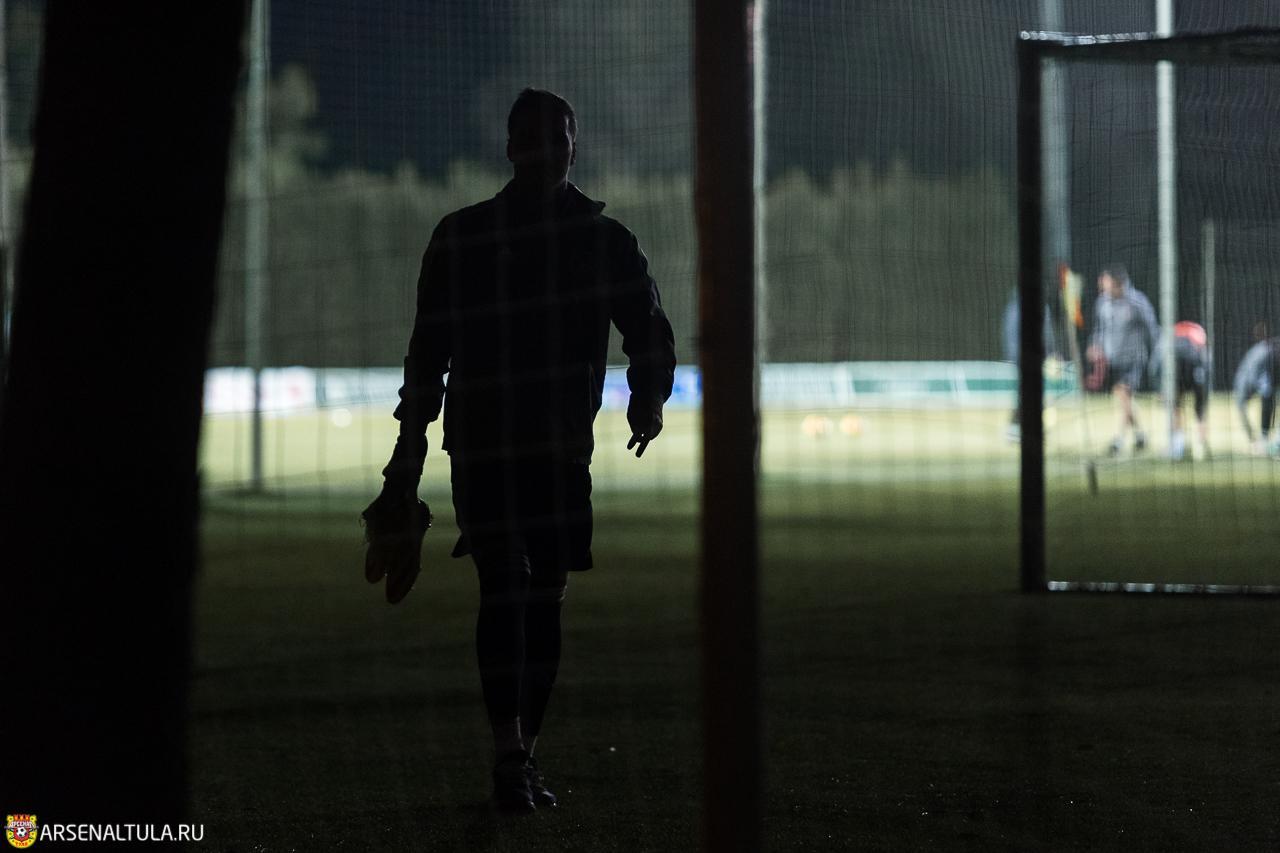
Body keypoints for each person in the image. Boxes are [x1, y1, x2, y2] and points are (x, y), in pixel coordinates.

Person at [364, 88, 676, 814]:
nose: (544, 148)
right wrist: (406, 454)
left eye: (555, 136)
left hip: (561, 451)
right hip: (485, 446)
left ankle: (521, 754)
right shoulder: (467, 237)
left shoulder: (596, 240)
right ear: (510, 147)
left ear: (573, 146)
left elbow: (647, 328)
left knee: (542, 601)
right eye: (531, 135)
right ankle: (511, 753)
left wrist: (649, 394)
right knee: (508, 584)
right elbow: (427, 355)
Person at [1085, 264, 1159, 456]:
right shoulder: (1102, 303)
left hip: (1134, 359)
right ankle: (1140, 436)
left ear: (1117, 282)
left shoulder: (1137, 301)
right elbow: (1099, 330)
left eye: (1106, 280)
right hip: (1113, 360)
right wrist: (1094, 345)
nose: (1102, 283)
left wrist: (1156, 354)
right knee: (1125, 398)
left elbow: (1152, 328)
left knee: (1124, 394)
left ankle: (1118, 441)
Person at [1001, 289, 1057, 443]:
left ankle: (1022, 429)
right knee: (1027, 394)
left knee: (1028, 394)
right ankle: (1020, 429)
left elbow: (1046, 332)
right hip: (1027, 359)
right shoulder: (1019, 308)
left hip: (1031, 358)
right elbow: (1045, 333)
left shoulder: (1016, 307)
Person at [1149, 321, 1211, 461]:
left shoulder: (1168, 339)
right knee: (1200, 410)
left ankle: (1178, 447)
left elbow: (1155, 365)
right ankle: (1200, 446)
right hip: (1196, 366)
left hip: (1177, 368)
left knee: (1175, 408)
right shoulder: (1196, 334)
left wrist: (1159, 389)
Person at [1233, 322, 1279, 455]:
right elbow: (1256, 375)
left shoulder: (1266, 350)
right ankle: (1259, 441)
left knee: (1267, 400)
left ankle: (1263, 440)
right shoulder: (1263, 352)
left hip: (1258, 376)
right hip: (1249, 379)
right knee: (1265, 400)